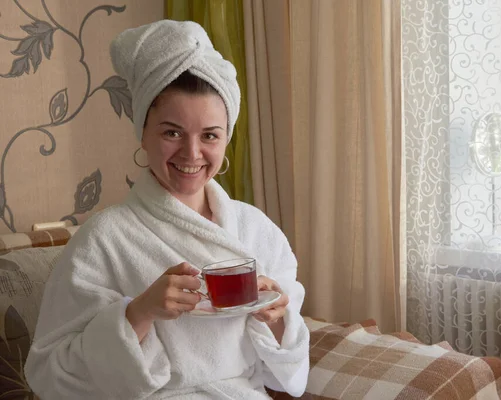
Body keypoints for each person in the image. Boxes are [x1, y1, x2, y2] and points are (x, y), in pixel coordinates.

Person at [24, 20, 309, 399]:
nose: (192, 154)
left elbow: (286, 373)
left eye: (210, 135)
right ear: (142, 132)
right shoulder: (104, 238)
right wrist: (139, 313)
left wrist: (275, 319)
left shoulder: (256, 229)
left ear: (226, 139)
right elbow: (48, 373)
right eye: (172, 132)